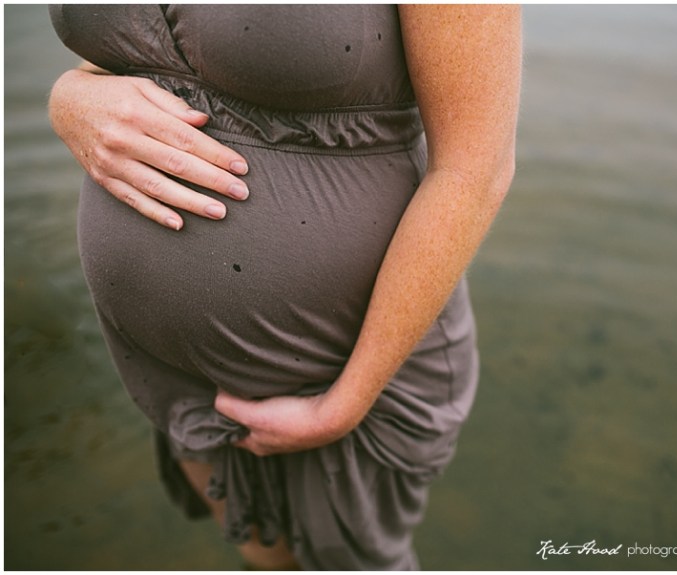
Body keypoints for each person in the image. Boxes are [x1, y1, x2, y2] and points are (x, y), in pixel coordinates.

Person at [48, 4, 520, 570]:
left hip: (347, 369)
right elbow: (115, 49)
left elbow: (474, 169)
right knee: (264, 557)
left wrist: (343, 405)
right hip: (167, 368)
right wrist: (68, 97)